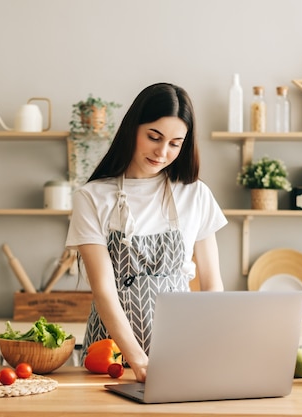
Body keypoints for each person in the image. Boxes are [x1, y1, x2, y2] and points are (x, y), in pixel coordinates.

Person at [65, 82, 227, 382]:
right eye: (154, 137)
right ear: (133, 129)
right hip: (111, 358)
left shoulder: (196, 195)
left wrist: (209, 345)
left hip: (181, 352)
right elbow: (103, 291)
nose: (162, 152)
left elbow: (212, 284)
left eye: (175, 143)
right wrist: (138, 361)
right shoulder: (91, 197)